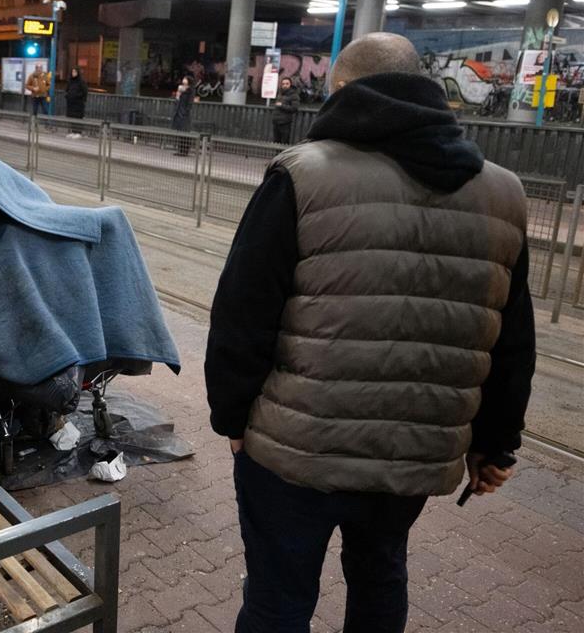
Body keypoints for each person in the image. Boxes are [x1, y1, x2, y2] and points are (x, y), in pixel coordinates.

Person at [205, 32, 534, 633]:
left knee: (279, 595)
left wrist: (231, 420)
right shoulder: (504, 192)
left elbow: (242, 312)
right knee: (382, 576)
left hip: (294, 448)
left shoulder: (302, 175)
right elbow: (512, 340)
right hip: (413, 451)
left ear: (340, 89)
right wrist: (495, 443)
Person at [172, 75, 196, 156]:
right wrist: (178, 95)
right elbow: (177, 100)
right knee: (180, 132)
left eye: (185, 79)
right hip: (179, 112)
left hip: (185, 113)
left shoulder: (190, 90)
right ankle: (180, 149)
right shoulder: (181, 89)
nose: (183, 80)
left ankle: (185, 150)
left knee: (185, 132)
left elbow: (190, 102)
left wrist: (186, 111)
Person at [272, 77, 300, 144]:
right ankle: (277, 154)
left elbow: (294, 108)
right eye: (283, 84)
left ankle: (283, 154)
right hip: (276, 121)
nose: (284, 85)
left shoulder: (294, 95)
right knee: (276, 141)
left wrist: (282, 106)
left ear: (290, 84)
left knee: (284, 142)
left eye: (287, 84)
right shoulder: (280, 93)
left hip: (285, 123)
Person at [65, 67, 88, 138]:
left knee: (78, 117)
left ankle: (78, 132)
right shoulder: (70, 81)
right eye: (72, 72)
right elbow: (67, 90)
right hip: (71, 103)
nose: (73, 73)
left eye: (75, 72)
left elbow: (84, 92)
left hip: (78, 103)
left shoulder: (81, 81)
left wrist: (77, 96)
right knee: (72, 117)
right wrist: (67, 96)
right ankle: (73, 131)